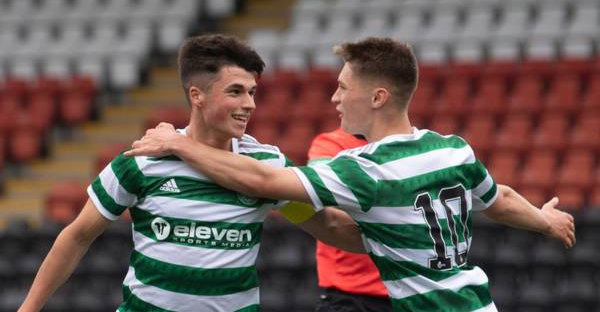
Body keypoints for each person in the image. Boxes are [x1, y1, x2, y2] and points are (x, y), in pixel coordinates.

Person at [125, 37, 576, 312]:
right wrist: (546, 220)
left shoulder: (365, 171)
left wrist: (179, 143)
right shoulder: (452, 149)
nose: (335, 98)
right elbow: (501, 200)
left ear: (377, 97)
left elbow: (262, 182)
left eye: (343, 87)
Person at [18, 34, 364, 312]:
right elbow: (77, 236)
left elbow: (329, 226)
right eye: (235, 91)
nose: (249, 104)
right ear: (197, 95)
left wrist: (403, 242)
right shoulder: (143, 159)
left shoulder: (267, 165)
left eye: (252, 92)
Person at [307, 128, 392, 312]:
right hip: (350, 295)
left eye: (342, 95)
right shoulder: (329, 143)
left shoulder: (412, 146)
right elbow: (326, 199)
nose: (336, 98)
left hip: (408, 291)